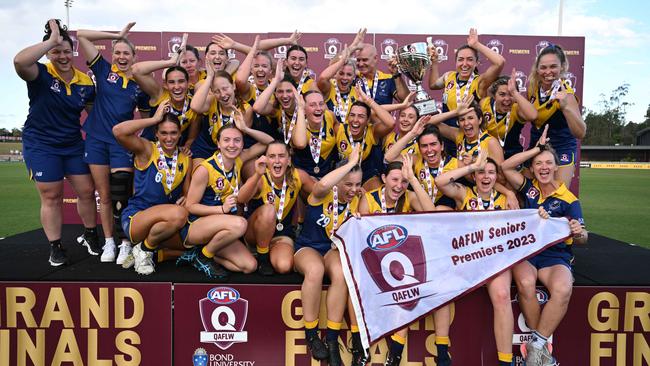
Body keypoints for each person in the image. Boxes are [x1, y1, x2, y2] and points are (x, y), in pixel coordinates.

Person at [13, 19, 98, 265]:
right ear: (48, 53)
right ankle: (55, 246)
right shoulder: (40, 73)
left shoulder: (85, 81)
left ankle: (91, 235)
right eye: (55, 51)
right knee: (52, 195)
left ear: (73, 52)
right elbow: (19, 61)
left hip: (72, 144)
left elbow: (93, 116)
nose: (62, 56)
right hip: (41, 144)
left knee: (85, 191)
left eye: (65, 51)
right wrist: (51, 39)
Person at [501, 126, 587, 366]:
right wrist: (535, 149)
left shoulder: (568, 199)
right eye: (538, 164)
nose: (544, 168)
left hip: (555, 256)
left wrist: (578, 232)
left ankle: (537, 345)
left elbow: (582, 237)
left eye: (548, 163)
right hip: (528, 252)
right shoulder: (529, 189)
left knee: (562, 289)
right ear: (533, 168)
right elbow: (506, 167)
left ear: (556, 167)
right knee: (526, 283)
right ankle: (543, 353)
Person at [76, 22, 150, 264]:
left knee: (122, 194)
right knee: (104, 195)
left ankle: (126, 243)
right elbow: (82, 36)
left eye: (126, 53)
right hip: (96, 140)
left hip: (121, 143)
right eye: (117, 52)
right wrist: (116, 35)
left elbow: (147, 120)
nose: (121, 57)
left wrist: (142, 145)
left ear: (134, 57)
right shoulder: (103, 69)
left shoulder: (140, 85)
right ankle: (109, 242)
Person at [352, 155, 436, 366]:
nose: (399, 186)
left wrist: (413, 180)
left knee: (408, 290)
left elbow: (432, 213)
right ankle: (361, 349)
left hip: (400, 267)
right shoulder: (369, 199)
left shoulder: (409, 197)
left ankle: (395, 355)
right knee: (355, 287)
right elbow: (361, 240)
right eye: (394, 180)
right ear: (384, 178)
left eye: (403, 181)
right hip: (373, 265)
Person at [435, 151, 514, 366]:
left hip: (496, 260)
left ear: (497, 177)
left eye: (491, 172)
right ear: (475, 176)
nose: (486, 177)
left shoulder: (507, 199)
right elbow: (440, 181)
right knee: (442, 286)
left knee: (502, 295)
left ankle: (505, 361)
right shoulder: (465, 194)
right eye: (481, 172)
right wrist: (470, 167)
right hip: (466, 259)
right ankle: (442, 353)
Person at [294, 145, 363, 366]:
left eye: (358, 184)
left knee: (342, 273)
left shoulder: (357, 200)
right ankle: (312, 335)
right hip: (308, 247)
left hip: (334, 249)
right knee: (315, 270)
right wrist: (351, 163)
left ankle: (332, 340)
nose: (353, 189)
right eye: (348, 184)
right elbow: (322, 183)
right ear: (339, 181)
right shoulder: (322, 193)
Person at [180, 119, 273, 278]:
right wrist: (221, 209)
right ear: (218, 143)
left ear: (243, 144)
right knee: (240, 223)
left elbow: (269, 142)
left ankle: (203, 253)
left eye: (237, 140)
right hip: (197, 226)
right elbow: (190, 206)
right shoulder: (205, 169)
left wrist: (245, 128)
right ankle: (205, 256)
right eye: (227, 140)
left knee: (249, 266)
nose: (232, 145)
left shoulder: (239, 160)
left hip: (224, 230)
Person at [112, 100, 191, 275]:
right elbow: (118, 131)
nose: (168, 138)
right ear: (156, 133)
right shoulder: (147, 149)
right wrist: (154, 119)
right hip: (137, 218)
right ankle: (145, 248)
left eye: (173, 133)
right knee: (179, 214)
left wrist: (186, 196)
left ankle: (148, 250)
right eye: (163, 133)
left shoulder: (186, 158)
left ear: (180, 134)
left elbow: (186, 194)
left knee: (194, 244)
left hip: (166, 225)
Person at [237, 141, 315, 275]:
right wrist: (256, 175)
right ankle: (262, 257)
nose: (277, 161)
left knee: (284, 266)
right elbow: (241, 199)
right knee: (269, 210)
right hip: (255, 234)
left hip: (280, 235)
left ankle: (271, 251)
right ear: (266, 160)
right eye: (272, 156)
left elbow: (320, 192)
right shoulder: (261, 178)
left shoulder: (298, 176)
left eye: (281, 156)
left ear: (289, 160)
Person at [428, 28, 505, 155]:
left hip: (470, 139)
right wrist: (435, 63)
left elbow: (500, 62)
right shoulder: (449, 77)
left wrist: (476, 45)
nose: (465, 64)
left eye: (470, 59)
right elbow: (432, 84)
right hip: (448, 136)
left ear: (476, 63)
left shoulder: (479, 82)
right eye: (460, 59)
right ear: (455, 61)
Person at [527, 44, 586, 186]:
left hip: (562, 147)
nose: (548, 72)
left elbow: (581, 132)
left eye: (553, 66)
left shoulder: (566, 94)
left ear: (562, 67)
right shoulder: (532, 88)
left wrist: (565, 108)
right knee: (530, 195)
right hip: (537, 147)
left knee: (557, 197)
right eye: (543, 67)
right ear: (537, 68)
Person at [131, 33, 200, 152]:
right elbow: (136, 70)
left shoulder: (194, 105)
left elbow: (191, 138)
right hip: (149, 151)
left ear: (188, 84)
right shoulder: (160, 95)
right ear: (166, 85)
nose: (177, 87)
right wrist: (170, 62)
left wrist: (187, 148)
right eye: (172, 82)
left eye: (181, 82)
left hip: (173, 155)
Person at [190, 65, 258, 164]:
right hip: (206, 147)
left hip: (231, 148)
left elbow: (236, 139)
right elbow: (195, 106)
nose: (222, 94)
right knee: (199, 172)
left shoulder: (245, 110)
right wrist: (209, 78)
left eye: (225, 88)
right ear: (212, 92)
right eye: (217, 91)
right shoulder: (212, 100)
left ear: (233, 86)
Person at [385, 120, 460, 210]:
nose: (429, 150)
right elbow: (388, 158)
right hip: (420, 211)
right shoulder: (416, 160)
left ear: (442, 146)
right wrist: (412, 133)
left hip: (444, 215)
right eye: (424, 146)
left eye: (433, 144)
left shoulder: (456, 164)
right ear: (419, 149)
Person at [335, 86, 396, 189]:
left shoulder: (372, 132)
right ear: (347, 117)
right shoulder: (339, 129)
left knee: (377, 188)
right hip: (342, 176)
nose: (355, 120)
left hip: (366, 177)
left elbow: (391, 123)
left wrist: (368, 101)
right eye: (352, 115)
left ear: (368, 120)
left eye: (361, 116)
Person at [480, 68, 538, 159]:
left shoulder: (517, 109)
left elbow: (533, 115)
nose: (507, 99)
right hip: (487, 157)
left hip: (512, 158)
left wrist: (514, 92)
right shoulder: (484, 104)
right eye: (502, 94)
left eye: (510, 94)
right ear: (494, 96)